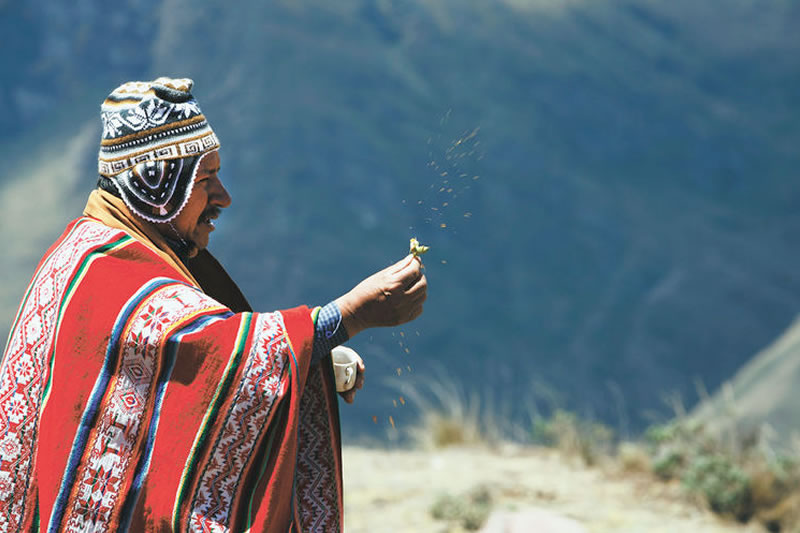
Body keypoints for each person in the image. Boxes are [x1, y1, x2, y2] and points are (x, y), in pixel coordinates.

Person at [0, 78, 427, 532]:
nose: (222, 198)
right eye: (205, 180)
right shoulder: (113, 276)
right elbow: (206, 349)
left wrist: (314, 357)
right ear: (155, 186)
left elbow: (182, 363)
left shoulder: (85, 250)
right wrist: (347, 317)